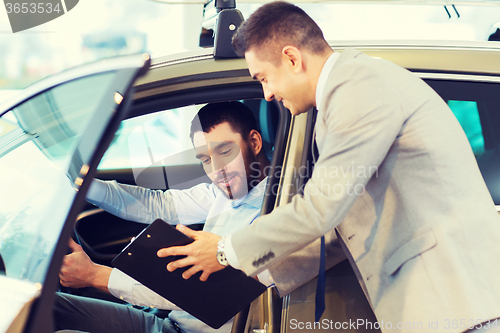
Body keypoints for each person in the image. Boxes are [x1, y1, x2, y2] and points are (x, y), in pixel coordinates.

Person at [158, 2, 500, 332]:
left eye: (264, 78)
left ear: (292, 58)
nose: (267, 95)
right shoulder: (335, 109)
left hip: (457, 302)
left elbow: (322, 208)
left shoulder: (358, 86)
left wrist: (223, 250)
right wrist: (254, 271)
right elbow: (339, 228)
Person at [54, 101, 275, 333]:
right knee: (50, 307)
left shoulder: (275, 214)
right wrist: (83, 185)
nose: (216, 169)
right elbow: (159, 204)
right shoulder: (226, 192)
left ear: (255, 142)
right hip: (170, 323)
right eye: (206, 159)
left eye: (225, 152)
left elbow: (209, 295)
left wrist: (95, 275)